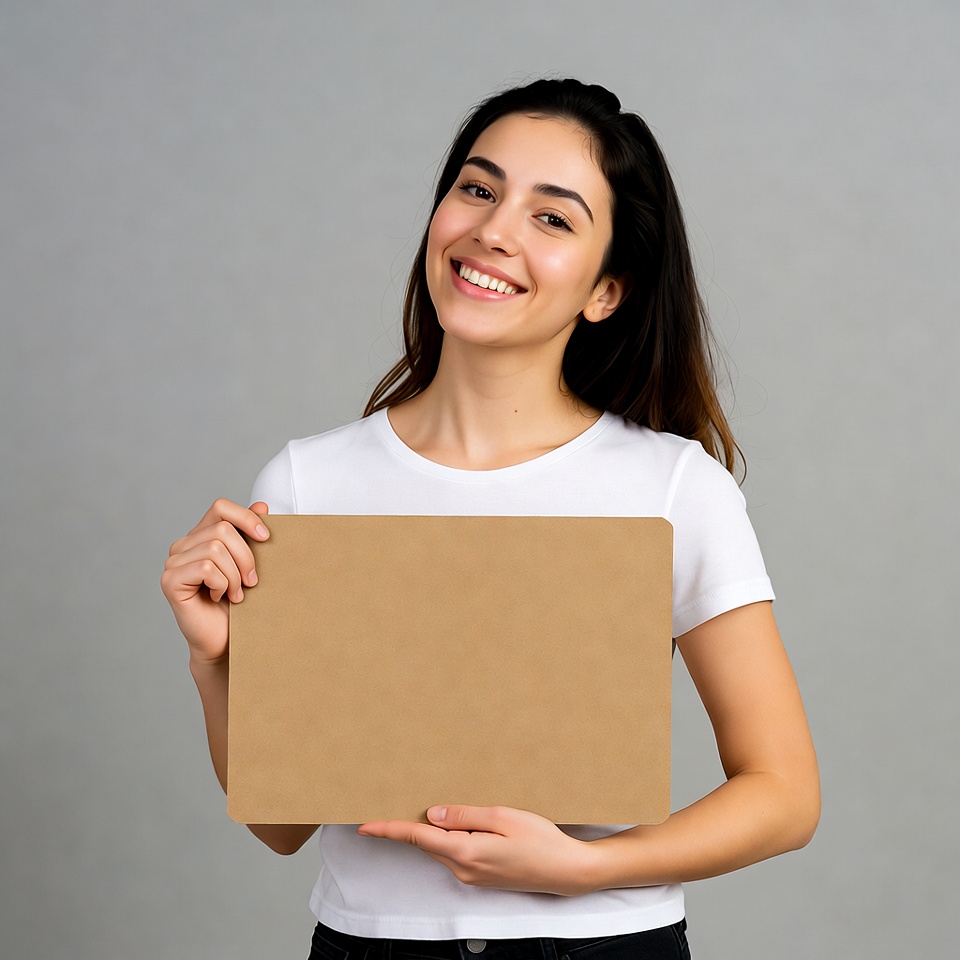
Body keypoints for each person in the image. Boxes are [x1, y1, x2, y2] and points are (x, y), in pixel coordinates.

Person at [161, 78, 820, 960]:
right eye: (478, 189)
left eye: (554, 218)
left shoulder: (673, 487)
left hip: (599, 948)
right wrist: (217, 663)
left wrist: (585, 866)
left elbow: (784, 793)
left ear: (607, 291)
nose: (495, 231)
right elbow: (281, 827)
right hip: (368, 946)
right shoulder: (308, 480)